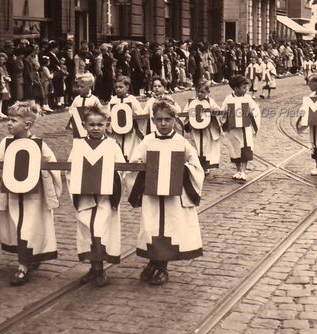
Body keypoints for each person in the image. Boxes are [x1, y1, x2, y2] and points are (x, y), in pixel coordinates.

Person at [128, 99, 204, 285]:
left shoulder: (182, 142)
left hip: (174, 197)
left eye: (167, 119)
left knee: (170, 229)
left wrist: (181, 169)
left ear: (175, 120)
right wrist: (141, 168)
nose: (163, 124)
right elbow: (134, 163)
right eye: (159, 119)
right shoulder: (147, 141)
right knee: (152, 228)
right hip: (152, 195)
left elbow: (196, 167)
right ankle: (154, 262)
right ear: (153, 120)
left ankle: (162, 268)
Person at [0, 102, 62, 286]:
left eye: (13, 120)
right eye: (8, 119)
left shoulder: (38, 144)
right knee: (18, 225)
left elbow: (52, 165)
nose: (8, 123)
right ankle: (27, 259)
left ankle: (23, 266)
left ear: (28, 124)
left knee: (29, 227)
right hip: (13, 194)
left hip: (34, 197)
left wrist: (50, 186)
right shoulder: (5, 143)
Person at [66, 105, 126, 287]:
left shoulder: (112, 145)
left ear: (106, 124)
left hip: (105, 198)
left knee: (101, 229)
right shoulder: (79, 146)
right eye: (91, 124)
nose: (96, 128)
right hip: (85, 197)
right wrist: (79, 183)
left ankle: (100, 269)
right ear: (84, 125)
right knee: (88, 230)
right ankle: (94, 267)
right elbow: (70, 170)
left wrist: (111, 180)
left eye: (100, 124)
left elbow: (122, 169)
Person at [221, 75, 261, 181]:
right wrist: (225, 119)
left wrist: (252, 113)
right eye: (243, 87)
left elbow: (255, 109)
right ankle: (238, 170)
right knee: (235, 149)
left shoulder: (247, 98)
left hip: (244, 129)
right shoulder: (228, 99)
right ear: (236, 88)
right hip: (233, 130)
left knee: (245, 148)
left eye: (246, 87)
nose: (246, 89)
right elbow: (223, 111)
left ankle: (243, 171)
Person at [182, 79, 222, 175]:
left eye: (202, 92)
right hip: (195, 130)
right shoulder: (192, 101)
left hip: (207, 130)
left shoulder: (210, 101)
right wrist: (188, 118)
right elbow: (185, 113)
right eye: (197, 91)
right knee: (196, 147)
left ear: (208, 92)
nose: (199, 94)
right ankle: (197, 165)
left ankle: (205, 166)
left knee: (206, 148)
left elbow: (217, 110)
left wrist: (213, 112)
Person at [108, 76, 145, 161]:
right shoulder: (112, 100)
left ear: (127, 87)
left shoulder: (132, 100)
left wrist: (134, 117)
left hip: (131, 132)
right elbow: (108, 115)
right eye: (116, 87)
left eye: (121, 87)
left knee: (130, 149)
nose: (118, 89)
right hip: (117, 132)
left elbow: (140, 114)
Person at [67, 73, 103, 138]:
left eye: (82, 87)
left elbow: (101, 111)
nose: (79, 88)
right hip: (78, 128)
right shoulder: (77, 99)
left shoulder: (94, 99)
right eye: (78, 86)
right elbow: (71, 110)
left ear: (89, 87)